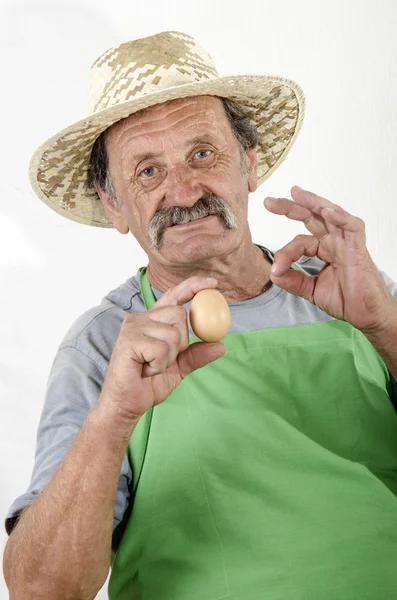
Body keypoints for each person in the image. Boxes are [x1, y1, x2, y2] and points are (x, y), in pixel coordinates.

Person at [4, 30, 397, 600]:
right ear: (114, 204)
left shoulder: (352, 288)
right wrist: (114, 415)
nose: (183, 190)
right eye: (147, 172)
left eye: (202, 154)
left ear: (250, 164)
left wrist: (385, 325)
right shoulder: (101, 347)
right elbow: (42, 590)